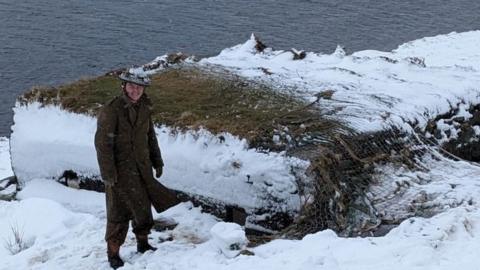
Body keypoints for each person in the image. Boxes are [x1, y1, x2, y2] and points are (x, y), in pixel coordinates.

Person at [95, 68, 177, 269]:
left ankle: (143, 243)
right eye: (132, 86)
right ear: (124, 86)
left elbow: (150, 136)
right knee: (118, 213)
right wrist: (108, 174)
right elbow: (102, 144)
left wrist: (157, 161)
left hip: (142, 168)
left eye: (139, 87)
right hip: (119, 173)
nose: (135, 91)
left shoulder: (144, 107)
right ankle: (113, 254)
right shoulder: (112, 109)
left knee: (143, 208)